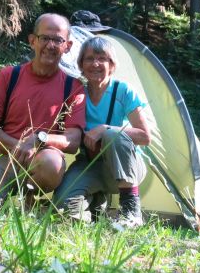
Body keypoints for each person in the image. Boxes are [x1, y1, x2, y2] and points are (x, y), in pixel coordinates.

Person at [0, 13, 86, 208]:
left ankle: (28, 199)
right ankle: (1, 201)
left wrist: (39, 139)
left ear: (67, 46)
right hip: (3, 158)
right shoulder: (8, 76)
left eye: (58, 40)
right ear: (32, 41)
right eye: (45, 38)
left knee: (51, 164)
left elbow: (73, 140)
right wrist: (19, 147)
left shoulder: (73, 87)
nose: (50, 45)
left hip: (43, 162)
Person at [54, 35, 151, 228]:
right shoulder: (76, 92)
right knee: (63, 203)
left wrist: (105, 128)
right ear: (81, 64)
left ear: (112, 64)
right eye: (89, 59)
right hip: (91, 164)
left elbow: (144, 137)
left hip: (128, 167)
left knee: (112, 135)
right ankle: (96, 208)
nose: (95, 64)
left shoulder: (123, 91)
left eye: (102, 59)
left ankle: (131, 211)